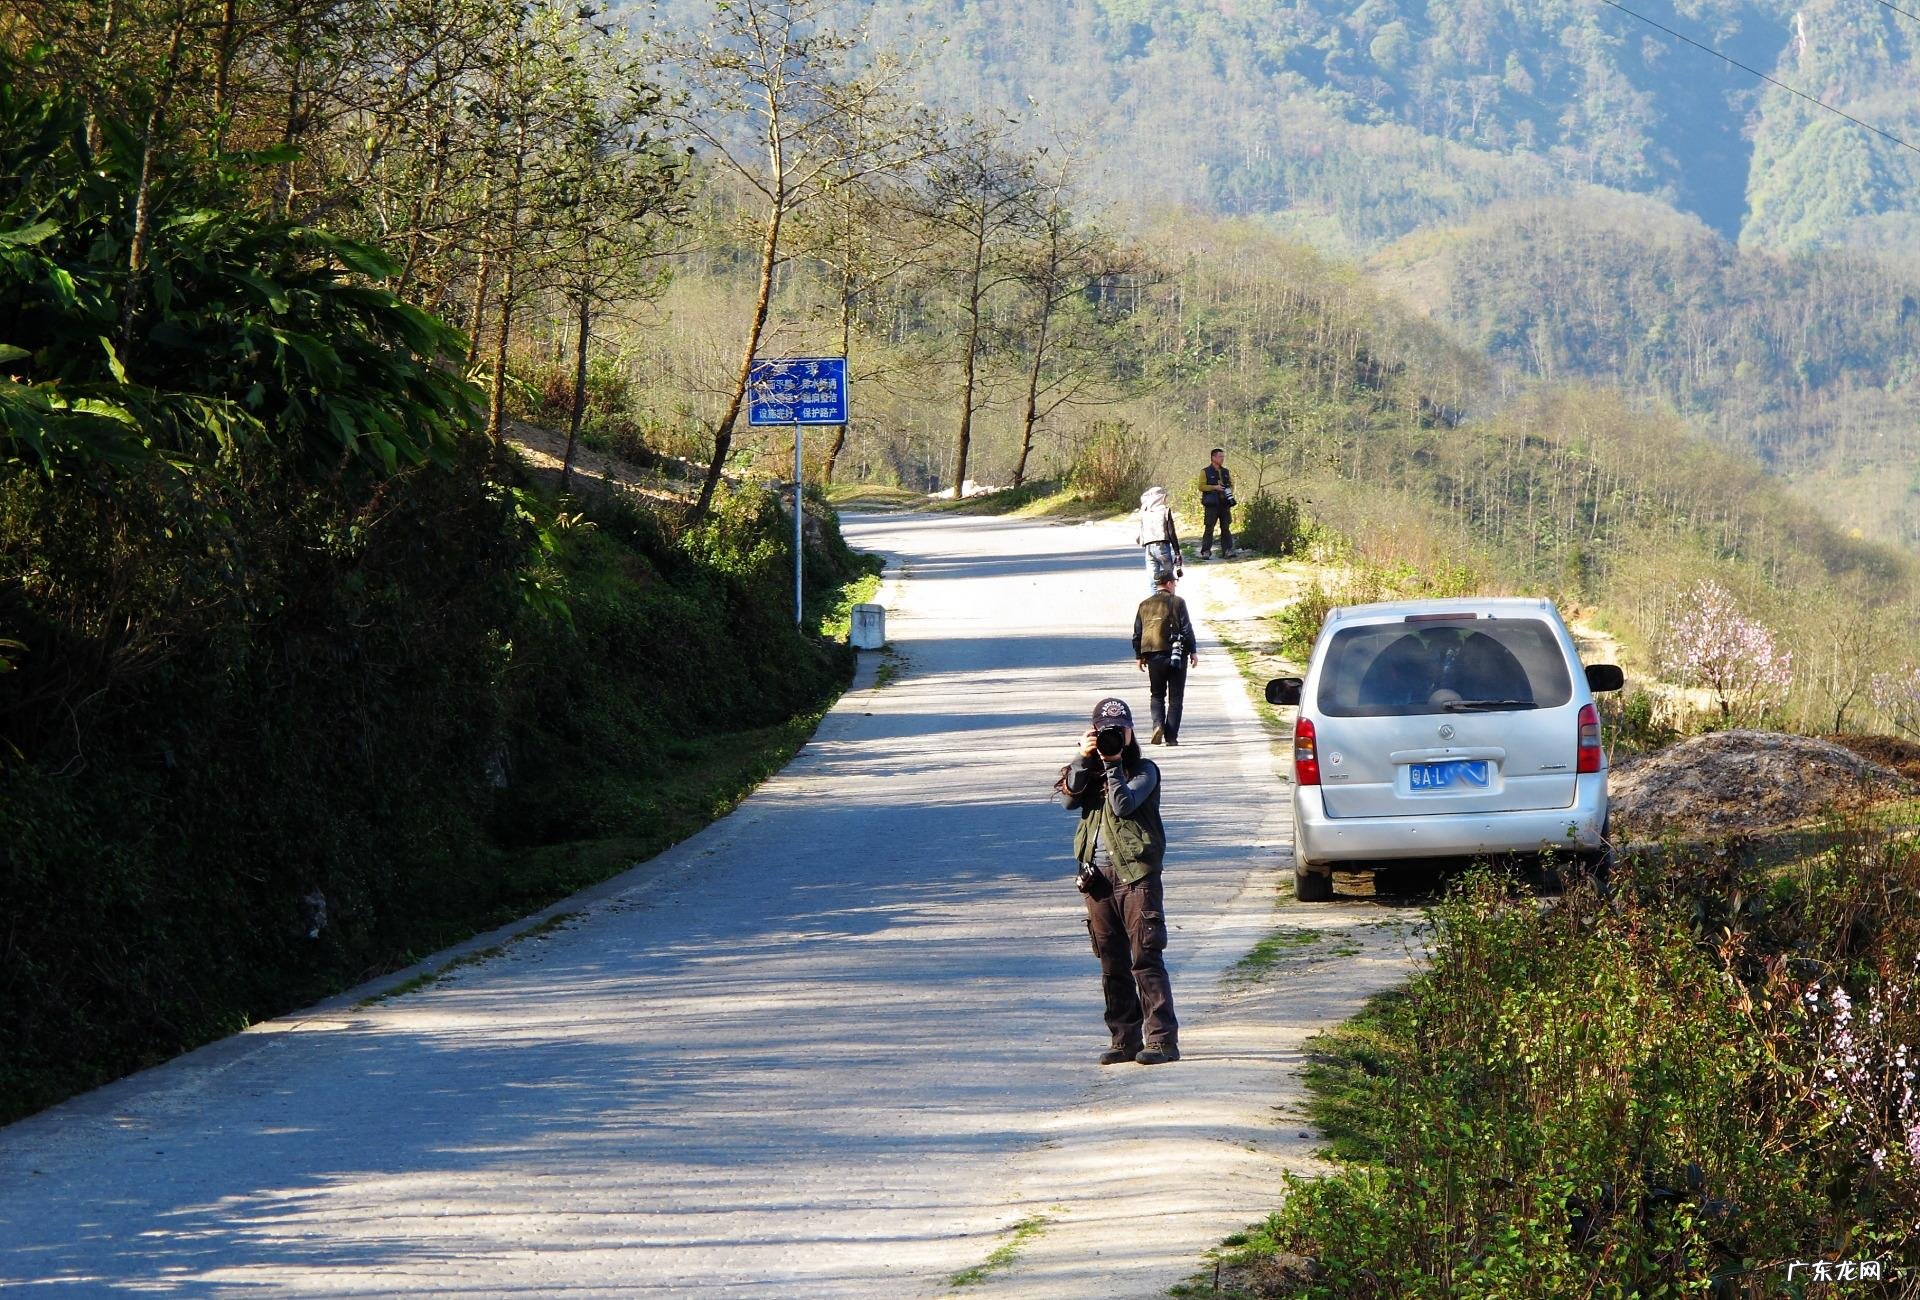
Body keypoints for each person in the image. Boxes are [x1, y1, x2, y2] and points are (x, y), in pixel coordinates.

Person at [1063, 697, 1179, 1066]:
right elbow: (1069, 800)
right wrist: (1083, 758)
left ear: (1130, 732)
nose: (1112, 735)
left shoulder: (1145, 770)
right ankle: (1124, 1040)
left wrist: (1113, 765)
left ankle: (1161, 1041)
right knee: (1112, 964)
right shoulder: (1089, 770)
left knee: (1145, 958)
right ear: (1093, 731)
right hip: (1097, 879)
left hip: (1137, 877)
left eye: (1119, 729)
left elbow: (1123, 805)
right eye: (1103, 729)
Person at [1132, 568, 1199, 746]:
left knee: (1157, 694)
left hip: (1154, 656)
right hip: (1177, 655)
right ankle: (1171, 737)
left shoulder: (1144, 605)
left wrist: (1139, 655)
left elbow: (1138, 632)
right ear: (1169, 583)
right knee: (1176, 698)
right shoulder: (1178, 602)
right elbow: (1186, 628)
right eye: (1174, 582)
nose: (1175, 585)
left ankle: (1158, 725)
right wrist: (1193, 651)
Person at [1134, 486, 1182, 592]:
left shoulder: (1144, 511)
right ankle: (1170, 601)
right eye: (1164, 496)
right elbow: (1171, 532)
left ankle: (1155, 601)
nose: (1165, 499)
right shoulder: (1164, 510)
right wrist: (1177, 553)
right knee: (1169, 579)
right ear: (1160, 497)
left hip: (1148, 548)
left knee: (1153, 581)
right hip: (1162, 547)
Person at [1197, 447, 1235, 560]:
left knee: (1226, 528)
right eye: (1220, 456)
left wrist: (1229, 490)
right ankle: (1206, 551)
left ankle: (1227, 550)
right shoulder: (1205, 471)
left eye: (1223, 457)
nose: (1222, 459)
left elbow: (1231, 484)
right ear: (1213, 457)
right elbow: (1201, 486)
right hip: (1212, 504)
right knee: (1209, 528)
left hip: (1225, 504)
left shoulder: (1226, 471)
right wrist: (1215, 487)